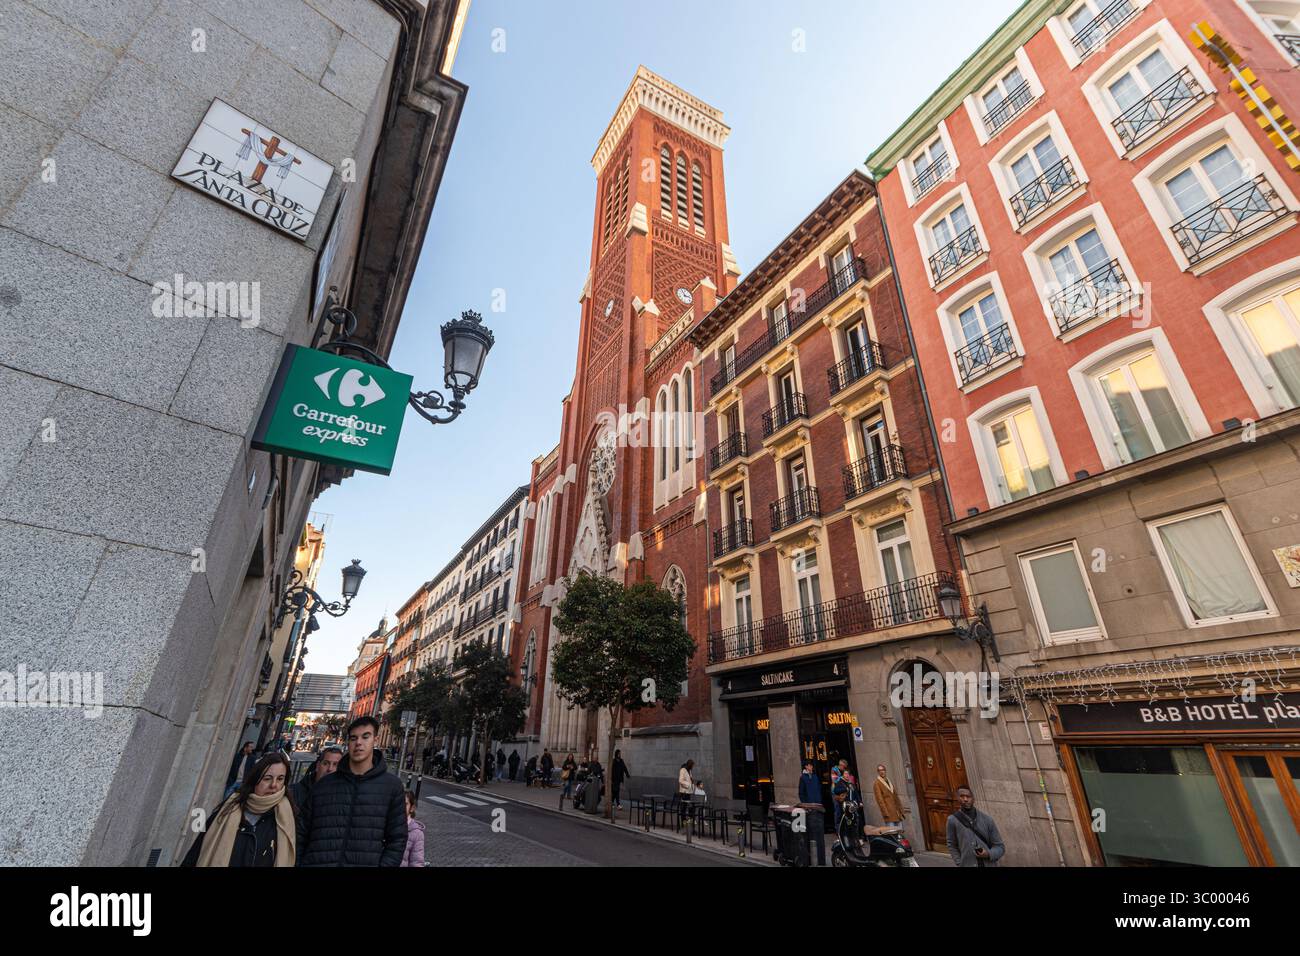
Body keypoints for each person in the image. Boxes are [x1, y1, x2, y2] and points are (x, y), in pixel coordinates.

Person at [296, 716, 408, 866]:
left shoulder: (391, 786)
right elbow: (301, 833)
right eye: (353, 738)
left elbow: (397, 839)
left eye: (365, 737)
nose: (359, 743)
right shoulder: (324, 785)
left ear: (376, 740)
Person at [183, 752, 296, 867]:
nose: (274, 785)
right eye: (267, 779)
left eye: (280, 779)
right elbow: (196, 853)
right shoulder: (228, 809)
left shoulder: (287, 817)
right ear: (255, 780)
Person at [946, 787, 1005, 867]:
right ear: (957, 798)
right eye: (962, 796)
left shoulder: (988, 820)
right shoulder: (952, 820)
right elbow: (952, 845)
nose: (965, 799)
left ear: (973, 798)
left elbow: (1000, 847)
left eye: (968, 796)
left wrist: (988, 854)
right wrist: (960, 863)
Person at [797, 760, 826, 866]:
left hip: (817, 807)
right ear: (806, 766)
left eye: (812, 766)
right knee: (812, 834)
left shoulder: (815, 777)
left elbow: (819, 789)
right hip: (809, 807)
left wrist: (819, 801)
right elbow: (801, 793)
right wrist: (806, 805)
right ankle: (813, 859)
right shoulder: (803, 778)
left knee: (819, 836)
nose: (811, 767)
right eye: (810, 765)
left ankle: (821, 860)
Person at [873, 763, 908, 828]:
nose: (882, 772)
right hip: (888, 812)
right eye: (879, 770)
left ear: (885, 771)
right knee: (892, 832)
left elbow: (896, 797)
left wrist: (901, 810)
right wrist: (885, 813)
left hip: (896, 811)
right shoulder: (877, 783)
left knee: (900, 831)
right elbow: (879, 800)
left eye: (883, 770)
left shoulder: (889, 781)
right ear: (878, 772)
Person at [830, 759, 857, 832]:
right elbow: (835, 780)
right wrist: (843, 777)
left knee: (845, 811)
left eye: (845, 767)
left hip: (845, 793)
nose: (843, 768)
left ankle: (846, 829)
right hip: (836, 793)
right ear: (840, 765)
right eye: (843, 766)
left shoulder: (844, 771)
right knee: (838, 811)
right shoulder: (834, 769)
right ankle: (838, 829)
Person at [400, 791, 425, 867]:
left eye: (405, 804)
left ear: (412, 808)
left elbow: (416, 862)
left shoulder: (416, 833)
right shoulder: (385, 825)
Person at [677, 759, 698, 829]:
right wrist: (688, 785)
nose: (692, 767)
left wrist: (692, 783)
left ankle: (689, 822)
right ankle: (683, 823)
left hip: (688, 792)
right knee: (683, 808)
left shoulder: (689, 771)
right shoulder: (683, 770)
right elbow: (680, 780)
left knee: (689, 807)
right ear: (689, 765)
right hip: (683, 792)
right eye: (692, 765)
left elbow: (690, 779)